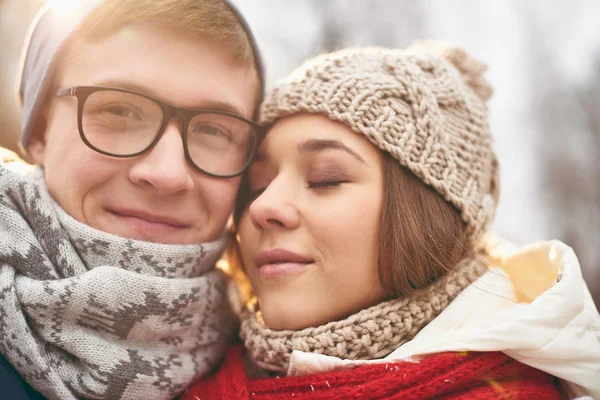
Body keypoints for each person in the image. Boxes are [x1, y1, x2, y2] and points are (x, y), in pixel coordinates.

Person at [182, 42, 600, 399]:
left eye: (325, 179)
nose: (261, 207)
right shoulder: (180, 373)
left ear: (430, 212)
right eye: (255, 185)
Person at [0, 0, 264, 399]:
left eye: (213, 130)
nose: (168, 175)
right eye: (120, 111)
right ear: (38, 130)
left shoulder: (273, 365)